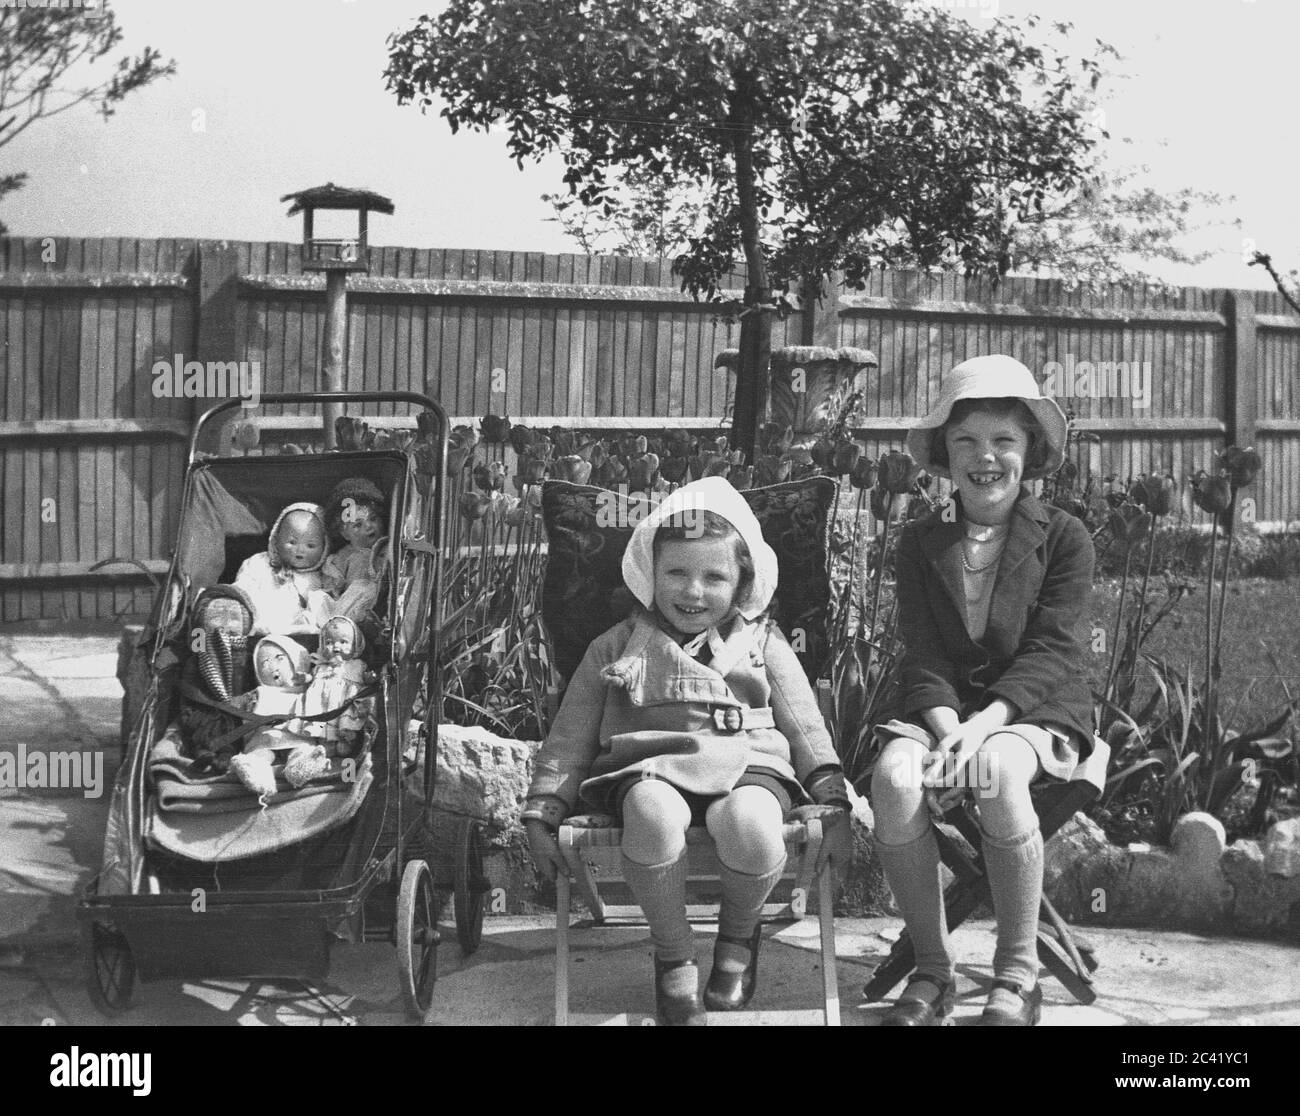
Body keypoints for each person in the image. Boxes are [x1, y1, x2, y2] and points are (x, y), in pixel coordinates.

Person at [522, 477, 852, 1025]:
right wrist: (544, 806)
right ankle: (673, 951)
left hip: (749, 765)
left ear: (742, 581)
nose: (693, 592)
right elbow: (572, 731)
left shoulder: (762, 642)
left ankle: (739, 936)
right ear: (651, 574)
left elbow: (805, 725)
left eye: (714, 576)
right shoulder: (618, 643)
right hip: (650, 765)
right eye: (677, 572)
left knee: (749, 821)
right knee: (649, 813)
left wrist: (831, 797)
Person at [870, 354, 1097, 1027]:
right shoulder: (920, 544)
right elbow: (924, 652)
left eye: (1004, 440)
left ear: (1030, 451)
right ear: (945, 453)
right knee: (893, 776)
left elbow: (1055, 648)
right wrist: (949, 729)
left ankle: (1018, 973)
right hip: (948, 715)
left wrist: (987, 725)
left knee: (997, 768)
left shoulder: (1064, 538)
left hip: (1035, 710)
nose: (985, 457)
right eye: (966, 441)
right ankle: (933, 969)